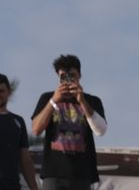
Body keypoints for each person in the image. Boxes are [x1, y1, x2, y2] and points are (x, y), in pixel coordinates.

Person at [29, 55, 108, 190]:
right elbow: (36, 129)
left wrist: (82, 101)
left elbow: (101, 131)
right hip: (53, 174)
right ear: (58, 77)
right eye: (63, 77)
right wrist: (54, 100)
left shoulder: (92, 101)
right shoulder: (47, 98)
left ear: (80, 75)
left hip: (82, 174)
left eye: (72, 76)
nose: (68, 80)